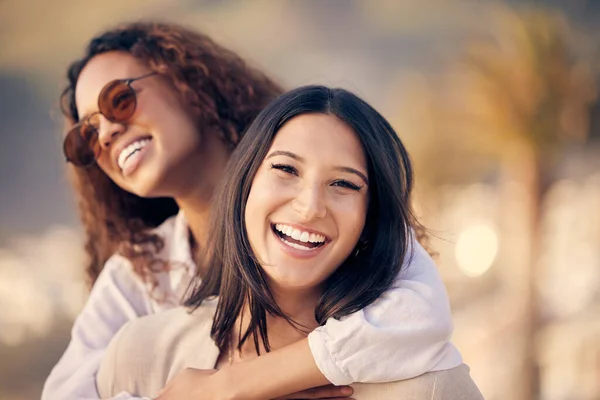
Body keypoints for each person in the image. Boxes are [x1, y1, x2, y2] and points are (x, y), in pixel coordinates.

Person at [43, 23, 461, 400]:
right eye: (88, 134)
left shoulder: (316, 162)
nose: (108, 131)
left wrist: (242, 382)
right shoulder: (136, 274)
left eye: (119, 99)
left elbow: (420, 314)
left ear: (184, 78)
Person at [96, 85, 483, 400]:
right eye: (285, 168)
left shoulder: (430, 389)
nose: (310, 206)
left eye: (344, 184)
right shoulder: (137, 357)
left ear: (369, 222)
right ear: (243, 184)